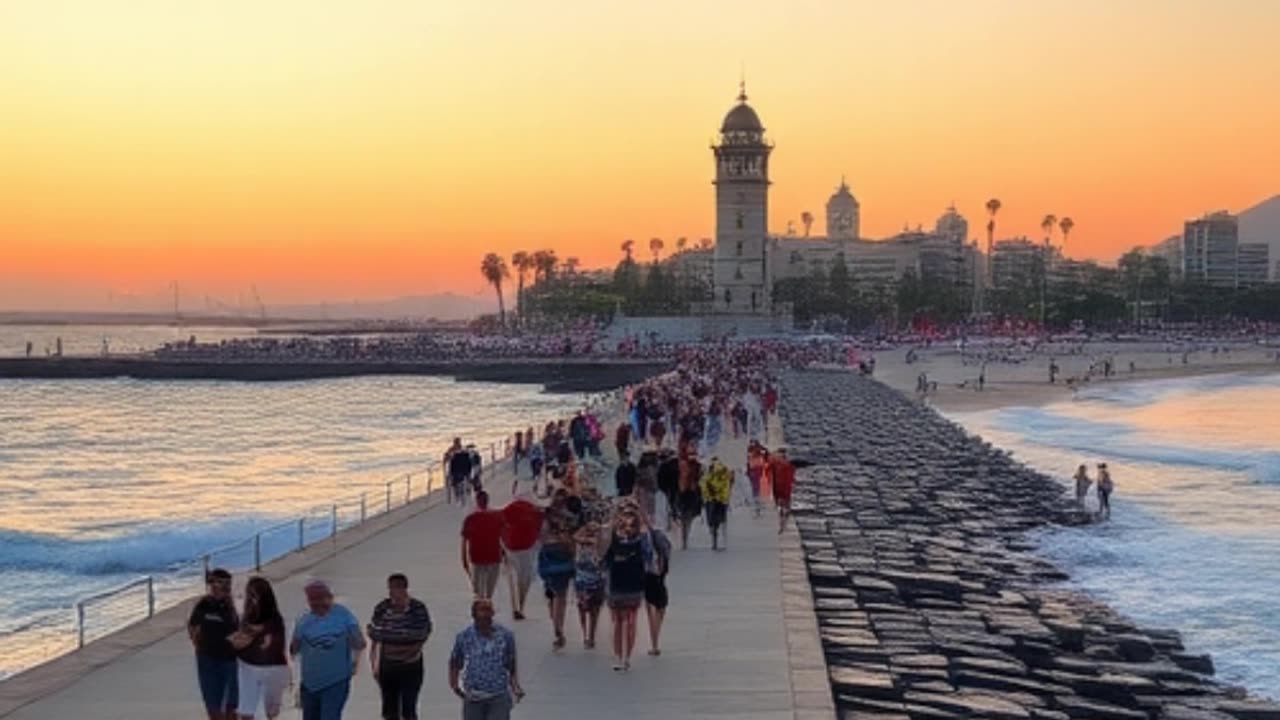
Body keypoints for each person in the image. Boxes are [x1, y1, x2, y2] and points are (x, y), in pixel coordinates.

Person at [290, 580, 366, 720]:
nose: (316, 603)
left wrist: (354, 662)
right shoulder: (303, 619)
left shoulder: (344, 615)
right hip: (309, 684)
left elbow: (360, 643)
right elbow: (294, 650)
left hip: (335, 681)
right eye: (312, 599)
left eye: (320, 598)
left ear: (329, 597)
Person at [367, 574, 432, 720]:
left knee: (409, 710)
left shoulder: (417, 609)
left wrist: (405, 650)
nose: (392, 592)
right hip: (387, 666)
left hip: (411, 666)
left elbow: (423, 634)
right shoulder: (382, 608)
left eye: (396, 588)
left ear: (404, 589)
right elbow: (374, 636)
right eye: (390, 588)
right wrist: (374, 665)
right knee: (389, 712)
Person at [449, 599, 524, 720]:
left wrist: (515, 685)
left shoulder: (506, 636)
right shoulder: (464, 637)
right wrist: (455, 685)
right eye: (482, 610)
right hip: (473, 696)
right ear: (473, 614)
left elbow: (511, 663)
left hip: (498, 694)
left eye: (489, 610)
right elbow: (455, 661)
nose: (486, 614)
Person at [233, 577, 290, 720]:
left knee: (264, 713)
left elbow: (244, 639)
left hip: (267, 669)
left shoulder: (272, 619)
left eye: (255, 595)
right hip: (252, 667)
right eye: (250, 594)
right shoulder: (248, 617)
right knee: (250, 713)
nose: (252, 599)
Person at [189, 568, 239, 720]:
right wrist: (198, 646)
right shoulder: (203, 604)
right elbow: (192, 626)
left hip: (229, 660)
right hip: (207, 660)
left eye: (226, 584)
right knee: (212, 705)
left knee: (231, 706)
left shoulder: (233, 606)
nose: (224, 588)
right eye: (218, 584)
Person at [603, 506, 649, 671]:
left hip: (634, 586)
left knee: (630, 621)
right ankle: (618, 655)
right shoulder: (612, 542)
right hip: (616, 586)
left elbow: (648, 556)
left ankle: (627, 657)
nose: (627, 529)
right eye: (623, 525)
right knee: (617, 622)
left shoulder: (641, 541)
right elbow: (604, 559)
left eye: (631, 525)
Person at [537, 490, 577, 650]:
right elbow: (572, 540)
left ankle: (555, 623)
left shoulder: (545, 519)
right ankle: (558, 626)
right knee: (561, 596)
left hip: (548, 558)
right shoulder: (569, 519)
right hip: (564, 558)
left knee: (551, 594)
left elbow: (541, 538)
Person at [500, 493, 543, 620]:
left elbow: (499, 525)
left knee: (511, 578)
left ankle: (514, 606)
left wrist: (501, 546)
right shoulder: (535, 511)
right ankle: (521, 605)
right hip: (527, 549)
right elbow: (540, 532)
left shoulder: (508, 509)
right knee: (525, 579)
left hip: (509, 548)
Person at [461, 491, 506, 600]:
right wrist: (505, 554)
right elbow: (504, 538)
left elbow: (464, 542)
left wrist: (464, 560)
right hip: (494, 556)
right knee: (489, 592)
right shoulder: (497, 517)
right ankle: (487, 606)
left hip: (477, 557)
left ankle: (480, 609)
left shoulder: (470, 519)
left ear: (477, 502)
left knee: (478, 591)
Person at [572, 520, 606, 649]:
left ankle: (591, 636)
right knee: (582, 608)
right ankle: (585, 634)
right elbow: (575, 536)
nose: (592, 531)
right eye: (590, 529)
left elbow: (601, 543)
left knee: (594, 610)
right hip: (582, 580)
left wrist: (599, 531)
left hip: (596, 581)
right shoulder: (581, 542)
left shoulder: (600, 543)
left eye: (595, 529)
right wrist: (585, 527)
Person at [643, 524, 672, 657]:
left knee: (653, 611)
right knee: (658, 610)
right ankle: (654, 643)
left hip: (650, 578)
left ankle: (654, 643)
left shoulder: (647, 538)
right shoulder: (656, 538)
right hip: (657, 580)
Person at [702, 458, 733, 551]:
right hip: (711, 500)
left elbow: (726, 487)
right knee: (712, 522)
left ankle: (721, 541)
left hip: (719, 501)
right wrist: (709, 497)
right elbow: (704, 486)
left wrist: (723, 498)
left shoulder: (724, 475)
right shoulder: (707, 475)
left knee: (721, 521)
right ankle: (714, 537)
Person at [769, 447, 796, 535]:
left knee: (785, 510)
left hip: (784, 490)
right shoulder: (777, 464)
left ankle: (782, 526)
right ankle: (781, 526)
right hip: (779, 490)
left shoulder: (788, 465)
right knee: (782, 509)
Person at [447, 439, 472, 506]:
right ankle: (460, 495)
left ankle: (460, 495)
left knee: (456, 483)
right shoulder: (454, 450)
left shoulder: (455, 450)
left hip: (458, 470)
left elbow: (448, 458)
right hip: (460, 470)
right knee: (457, 483)